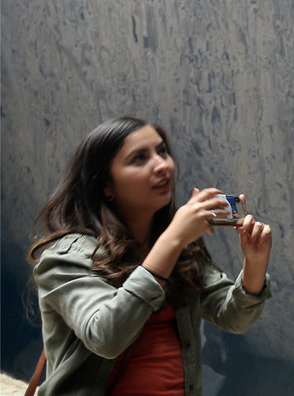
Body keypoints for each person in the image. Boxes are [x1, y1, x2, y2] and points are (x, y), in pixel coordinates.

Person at [26, 116, 273, 396]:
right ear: (105, 184)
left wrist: (254, 262)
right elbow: (106, 337)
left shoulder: (181, 248)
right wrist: (173, 238)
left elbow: (234, 318)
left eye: (162, 151)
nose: (162, 165)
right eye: (139, 159)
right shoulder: (66, 258)